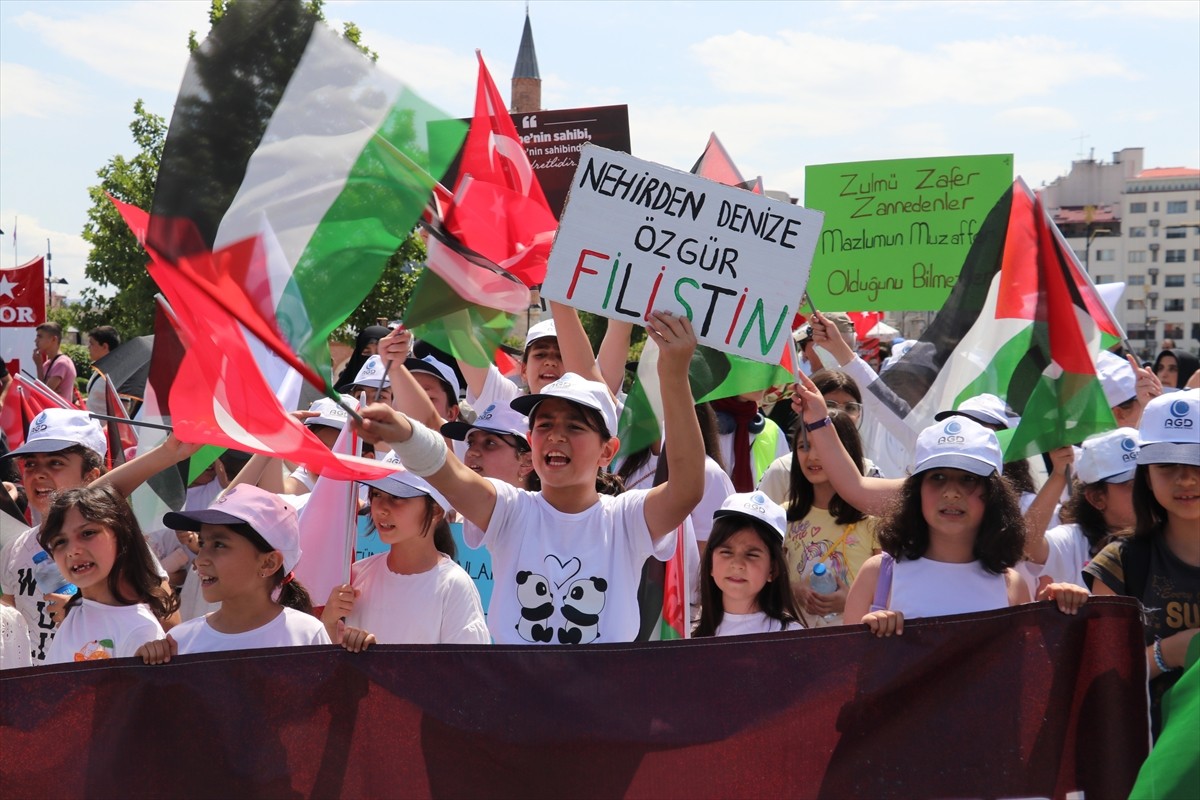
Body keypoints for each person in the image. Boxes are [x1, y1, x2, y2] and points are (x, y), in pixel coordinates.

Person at [356, 310, 705, 646]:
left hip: (599, 702)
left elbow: (687, 487)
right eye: (545, 425)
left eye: (574, 426)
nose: (555, 436)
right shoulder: (510, 510)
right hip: (517, 700)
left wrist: (673, 374)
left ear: (607, 452)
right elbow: (448, 471)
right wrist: (405, 432)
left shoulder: (626, 519)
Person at [839, 415, 1088, 635]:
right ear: (916, 491)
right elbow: (845, 675)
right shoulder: (877, 574)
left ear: (993, 495)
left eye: (969, 478)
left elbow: (1020, 677)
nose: (951, 493)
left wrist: (1057, 611)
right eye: (937, 477)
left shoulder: (1012, 584)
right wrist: (869, 640)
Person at [1083, 390, 1200, 736]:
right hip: (1151, 761)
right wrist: (1167, 653)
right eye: (1167, 465)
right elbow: (1101, 672)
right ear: (1146, 476)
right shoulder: (1118, 562)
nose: (1186, 479)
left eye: (1197, 460)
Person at [137, 485, 330, 663]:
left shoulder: (307, 635)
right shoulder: (180, 642)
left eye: (219, 545)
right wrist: (142, 667)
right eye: (202, 543)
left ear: (268, 563)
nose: (200, 559)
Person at [321, 468, 488, 649]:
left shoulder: (454, 585)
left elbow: (467, 670)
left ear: (436, 511)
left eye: (397, 497)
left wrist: (380, 662)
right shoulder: (354, 574)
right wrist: (328, 623)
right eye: (376, 494)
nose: (382, 509)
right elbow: (325, 667)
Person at [0, 409, 108, 662]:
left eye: (55, 462)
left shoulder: (117, 546)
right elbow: (10, 629)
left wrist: (89, 608)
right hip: (33, 693)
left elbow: (164, 622)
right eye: (30, 464)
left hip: (97, 691)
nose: (38, 473)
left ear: (91, 476)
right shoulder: (14, 549)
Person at [37, 485, 177, 663]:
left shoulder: (141, 631)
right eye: (60, 541)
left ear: (121, 534)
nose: (72, 551)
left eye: (87, 533)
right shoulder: (75, 611)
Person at [779, 412, 878, 626]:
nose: (812, 456)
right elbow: (767, 583)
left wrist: (851, 602)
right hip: (796, 642)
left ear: (846, 452)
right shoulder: (781, 516)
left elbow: (890, 591)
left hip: (854, 643)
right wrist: (795, 592)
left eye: (823, 447)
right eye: (803, 446)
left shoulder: (873, 520)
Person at [1020, 428, 1139, 591]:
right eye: (1131, 485)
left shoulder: (1173, 532)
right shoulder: (1074, 542)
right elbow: (1028, 547)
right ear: (1097, 498)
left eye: (1146, 479)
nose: (1145, 491)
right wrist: (1059, 475)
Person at [693, 492, 803, 637]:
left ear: (773, 569)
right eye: (726, 552)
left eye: (752, 555)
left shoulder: (791, 636)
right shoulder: (687, 631)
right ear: (711, 563)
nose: (737, 564)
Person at [334, 324, 391, 393]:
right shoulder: (342, 395)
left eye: (380, 353)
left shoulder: (403, 390)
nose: (372, 358)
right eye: (366, 352)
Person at [33, 322, 77, 404]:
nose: (36, 341)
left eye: (40, 337)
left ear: (53, 339)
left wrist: (39, 366)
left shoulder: (62, 363)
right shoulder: (47, 364)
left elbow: (43, 394)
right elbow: (41, 390)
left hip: (60, 414)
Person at [84, 325, 121, 416]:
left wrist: (108, 429)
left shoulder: (117, 373)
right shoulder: (100, 369)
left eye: (92, 344)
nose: (88, 347)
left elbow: (122, 408)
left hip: (104, 429)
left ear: (104, 346)